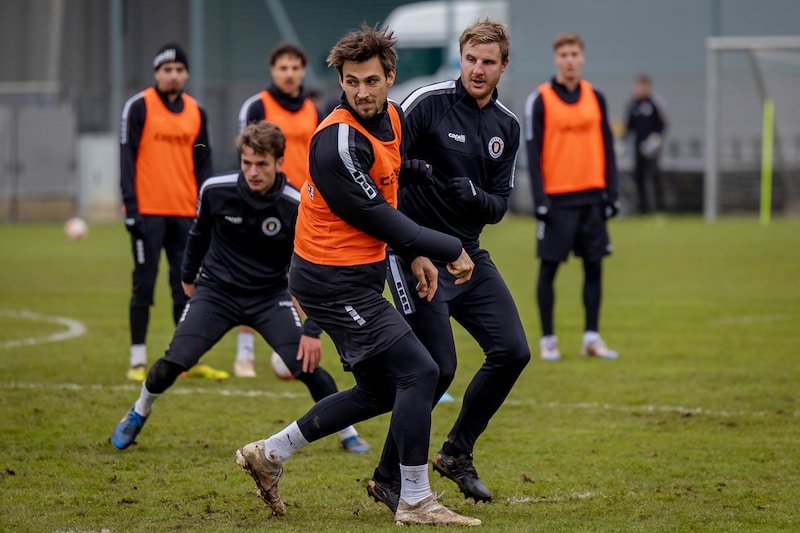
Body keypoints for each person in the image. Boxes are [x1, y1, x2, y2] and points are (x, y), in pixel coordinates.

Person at [235, 24, 481, 527]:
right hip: (330, 279)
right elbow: (379, 218)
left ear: (390, 77)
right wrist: (445, 247)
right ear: (341, 82)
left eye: (371, 80)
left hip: (356, 274)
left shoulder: (390, 116)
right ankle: (413, 499)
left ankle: (269, 454)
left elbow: (387, 193)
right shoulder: (336, 143)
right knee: (423, 370)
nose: (362, 92)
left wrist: (415, 254)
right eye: (351, 82)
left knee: (380, 391)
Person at [110, 121, 368, 454]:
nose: (253, 171)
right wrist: (188, 278)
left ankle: (347, 432)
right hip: (216, 294)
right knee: (175, 361)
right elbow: (198, 235)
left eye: (262, 164)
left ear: (279, 162)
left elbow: (318, 265)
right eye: (247, 163)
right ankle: (139, 410)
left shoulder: (296, 205)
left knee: (305, 366)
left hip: (269, 298)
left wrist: (312, 329)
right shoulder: (215, 190)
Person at [368, 18, 530, 511]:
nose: (477, 70)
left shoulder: (507, 125)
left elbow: (500, 205)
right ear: (461, 58)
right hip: (414, 254)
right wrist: (411, 243)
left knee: (513, 352)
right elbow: (384, 167)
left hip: (467, 256)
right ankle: (387, 477)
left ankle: (457, 452)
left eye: (488, 62)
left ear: (504, 66)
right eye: (470, 59)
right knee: (436, 369)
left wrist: (477, 196)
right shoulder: (426, 103)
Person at [119, 42, 227, 382]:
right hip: (148, 213)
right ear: (156, 73)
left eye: (179, 70)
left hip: (186, 216)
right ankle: (138, 359)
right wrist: (130, 207)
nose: (173, 75)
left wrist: (206, 210)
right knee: (144, 285)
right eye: (167, 70)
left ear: (186, 74)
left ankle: (186, 360)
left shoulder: (197, 111)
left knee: (186, 287)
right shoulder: (138, 107)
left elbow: (203, 163)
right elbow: (126, 159)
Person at [523, 31, 620, 361]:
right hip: (556, 200)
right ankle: (548, 339)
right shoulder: (541, 98)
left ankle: (591, 337)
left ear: (582, 58)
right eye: (563, 54)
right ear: (556, 59)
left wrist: (613, 191)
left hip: (593, 196)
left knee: (594, 267)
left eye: (574, 54)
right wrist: (539, 199)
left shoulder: (596, 97)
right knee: (549, 269)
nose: (569, 60)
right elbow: (532, 153)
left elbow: (608, 147)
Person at [233, 42, 321, 379]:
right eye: (283, 67)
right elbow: (244, 154)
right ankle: (244, 356)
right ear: (273, 70)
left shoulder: (313, 109)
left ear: (302, 71)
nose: (289, 73)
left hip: (304, 206)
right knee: (253, 276)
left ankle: (299, 347)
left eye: (295, 67)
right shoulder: (257, 105)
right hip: (263, 206)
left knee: (300, 277)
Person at [625, 74, 668, 214]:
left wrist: (654, 140)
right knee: (639, 178)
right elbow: (628, 127)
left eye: (642, 86)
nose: (639, 89)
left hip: (652, 149)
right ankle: (643, 210)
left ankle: (660, 209)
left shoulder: (654, 103)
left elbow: (662, 125)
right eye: (637, 86)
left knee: (654, 176)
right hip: (638, 148)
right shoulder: (632, 104)